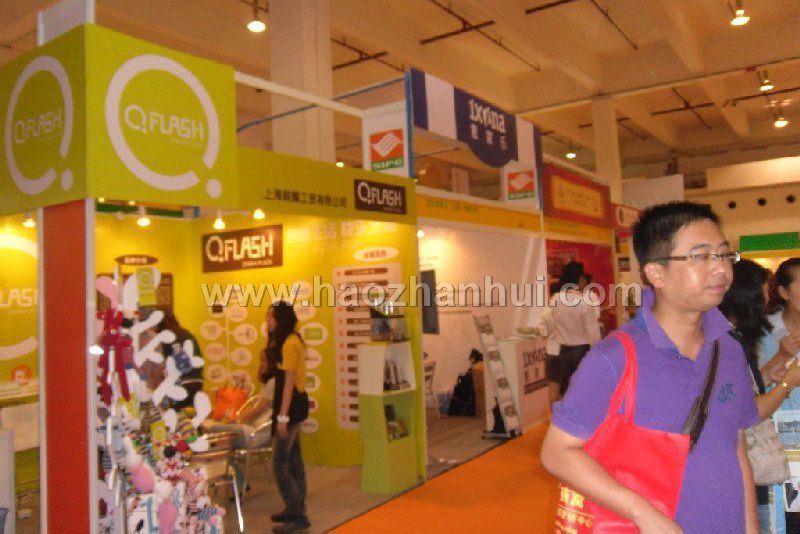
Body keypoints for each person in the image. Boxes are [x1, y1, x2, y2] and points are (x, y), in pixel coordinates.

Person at [541, 202, 759, 532]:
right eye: (701, 256)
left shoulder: (728, 349)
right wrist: (643, 514)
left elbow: (736, 447)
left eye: (724, 254)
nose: (721, 269)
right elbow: (557, 452)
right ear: (656, 273)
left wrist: (750, 527)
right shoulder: (614, 357)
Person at [719, 259, 800, 532]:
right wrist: (787, 383)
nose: (767, 300)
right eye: (764, 292)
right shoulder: (731, 341)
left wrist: (779, 362)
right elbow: (749, 410)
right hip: (764, 450)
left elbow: (749, 388)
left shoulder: (730, 337)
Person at [758, 257, 800, 532]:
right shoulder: (762, 332)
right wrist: (780, 358)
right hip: (778, 448)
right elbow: (750, 387)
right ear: (784, 292)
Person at [268, 301, 310, 533]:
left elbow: (288, 384)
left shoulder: (290, 344)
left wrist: (282, 418)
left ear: (280, 319)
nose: (268, 321)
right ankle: (295, 508)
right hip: (293, 405)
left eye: (271, 317)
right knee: (294, 460)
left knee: (279, 464)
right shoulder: (291, 341)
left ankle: (298, 513)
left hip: (291, 407)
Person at [551, 261, 601, 395]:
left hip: (563, 351)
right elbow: (592, 330)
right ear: (580, 279)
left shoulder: (555, 298)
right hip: (581, 351)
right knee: (583, 391)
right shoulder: (584, 302)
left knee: (565, 391)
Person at [157, 309, 204, 410]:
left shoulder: (165, 338)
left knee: (176, 414)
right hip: (196, 382)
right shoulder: (187, 335)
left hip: (179, 384)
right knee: (189, 414)